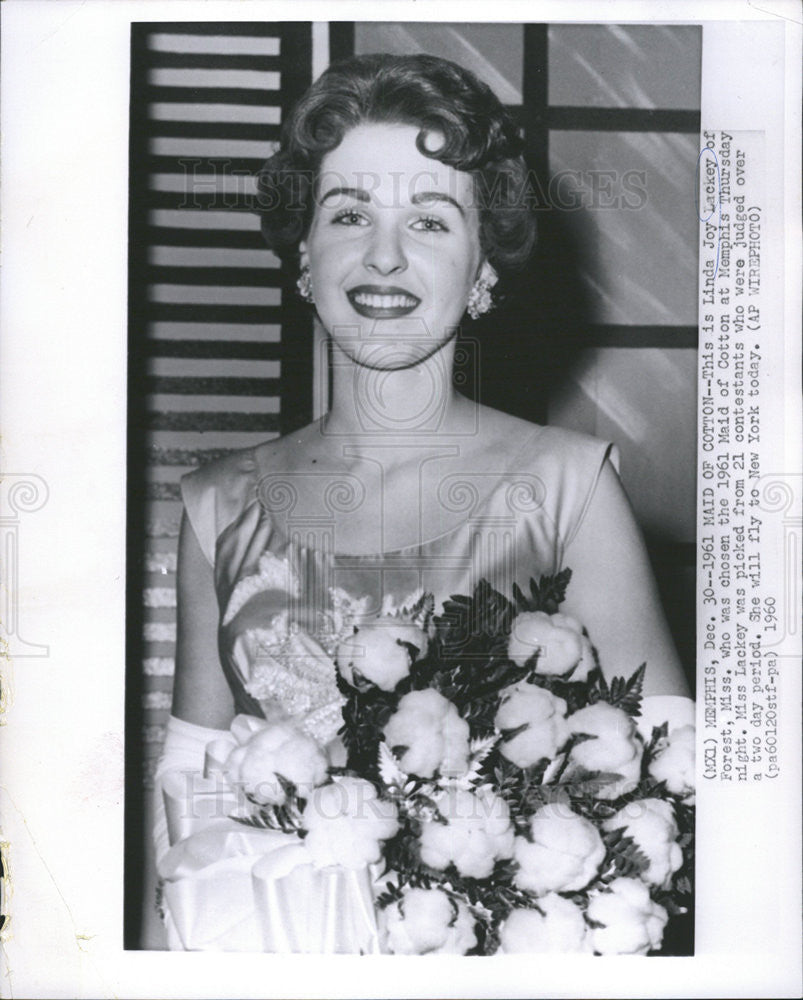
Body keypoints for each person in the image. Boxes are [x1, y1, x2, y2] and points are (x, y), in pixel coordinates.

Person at [149, 53, 692, 951]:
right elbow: (181, 826)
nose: (385, 255)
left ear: (482, 266)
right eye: (349, 213)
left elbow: (676, 800)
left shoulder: (567, 488)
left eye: (430, 221)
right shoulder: (216, 507)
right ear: (302, 253)